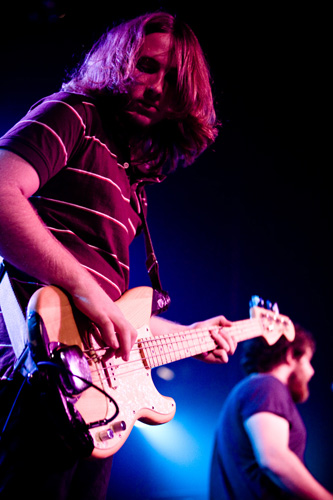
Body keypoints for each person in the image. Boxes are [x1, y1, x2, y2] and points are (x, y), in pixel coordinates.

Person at [0, 11, 237, 500]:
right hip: (35, 378)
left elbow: (113, 313)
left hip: (93, 404)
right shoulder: (74, 114)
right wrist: (89, 293)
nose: (156, 88)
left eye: (173, 80)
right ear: (116, 61)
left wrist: (190, 337)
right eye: (147, 66)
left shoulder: (131, 179)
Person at [209, 324, 333, 499]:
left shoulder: (253, 388)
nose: (311, 371)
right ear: (291, 356)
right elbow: (274, 459)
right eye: (307, 360)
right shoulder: (267, 385)